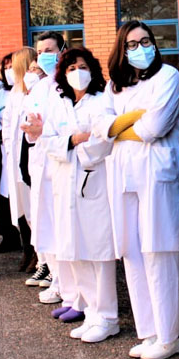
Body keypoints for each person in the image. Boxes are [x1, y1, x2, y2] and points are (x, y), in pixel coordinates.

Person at [95, 20, 179, 359]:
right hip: (123, 175)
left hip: (157, 175)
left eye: (145, 41)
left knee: (158, 251)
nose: (140, 48)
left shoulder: (168, 77)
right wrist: (133, 118)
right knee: (131, 251)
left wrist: (118, 128)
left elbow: (154, 127)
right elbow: (100, 126)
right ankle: (148, 331)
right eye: (132, 44)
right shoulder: (114, 85)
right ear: (121, 49)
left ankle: (170, 334)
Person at [41, 47, 119, 341]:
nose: (78, 72)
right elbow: (47, 141)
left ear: (93, 70)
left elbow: (103, 141)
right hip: (64, 186)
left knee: (98, 252)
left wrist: (73, 144)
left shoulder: (101, 101)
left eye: (83, 66)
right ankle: (91, 313)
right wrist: (73, 139)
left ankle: (108, 316)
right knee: (75, 252)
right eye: (71, 67)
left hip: (93, 183)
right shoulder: (59, 103)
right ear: (63, 73)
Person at [22, 32, 67, 302]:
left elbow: (70, 124)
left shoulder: (67, 83)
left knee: (62, 225)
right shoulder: (39, 87)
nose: (45, 56)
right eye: (41, 52)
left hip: (60, 163)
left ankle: (68, 284)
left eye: (50, 50)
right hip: (39, 162)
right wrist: (31, 130)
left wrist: (42, 129)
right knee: (45, 224)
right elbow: (31, 125)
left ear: (62, 50)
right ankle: (56, 279)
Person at [2, 47, 40, 273]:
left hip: (30, 157)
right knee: (20, 206)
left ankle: (38, 254)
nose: (9, 70)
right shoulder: (14, 92)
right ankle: (27, 249)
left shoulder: (34, 89)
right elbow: (7, 124)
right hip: (14, 157)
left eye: (12, 65)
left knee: (33, 206)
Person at [0, 52, 23, 254]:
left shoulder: (27, 91)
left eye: (13, 65)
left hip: (22, 149)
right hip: (4, 148)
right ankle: (9, 236)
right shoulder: (1, 93)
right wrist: (1, 133)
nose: (9, 70)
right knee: (5, 196)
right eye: (6, 66)